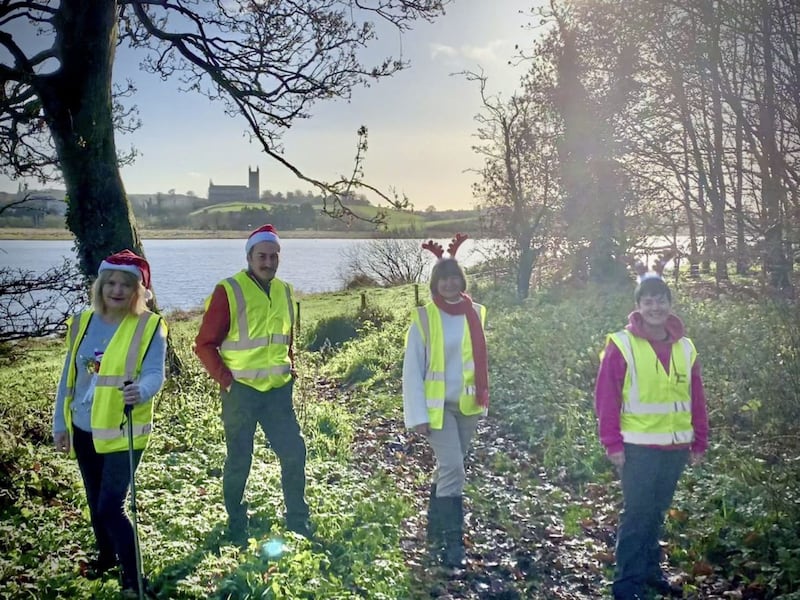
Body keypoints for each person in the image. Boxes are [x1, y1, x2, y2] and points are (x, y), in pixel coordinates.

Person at [52, 249, 167, 599]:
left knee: (110, 505)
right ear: (100, 286)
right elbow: (68, 377)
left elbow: (154, 373)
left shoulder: (149, 326)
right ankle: (105, 558)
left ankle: (134, 578)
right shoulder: (83, 322)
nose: (116, 290)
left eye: (126, 284)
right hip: (84, 426)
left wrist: (141, 391)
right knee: (93, 497)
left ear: (138, 291)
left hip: (122, 428)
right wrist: (61, 422)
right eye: (110, 283)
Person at [594, 271, 709, 600]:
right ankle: (626, 583)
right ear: (638, 306)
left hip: (675, 446)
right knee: (637, 513)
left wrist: (699, 439)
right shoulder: (622, 344)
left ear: (670, 304)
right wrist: (611, 442)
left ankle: (649, 571)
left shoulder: (686, 347)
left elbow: (696, 396)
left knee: (657, 512)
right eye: (648, 301)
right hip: (637, 447)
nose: (655, 306)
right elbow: (606, 397)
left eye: (661, 300)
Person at [194, 224, 311, 544]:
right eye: (262, 256)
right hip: (241, 393)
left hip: (278, 392)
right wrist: (227, 382)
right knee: (239, 461)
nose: (269, 262)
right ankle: (236, 523)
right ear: (249, 256)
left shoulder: (285, 290)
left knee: (294, 453)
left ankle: (298, 520)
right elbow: (204, 344)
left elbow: (285, 337)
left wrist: (291, 367)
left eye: (274, 256)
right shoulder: (228, 290)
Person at [402, 233, 489, 568]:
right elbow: (412, 371)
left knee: (447, 469)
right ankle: (453, 544)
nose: (450, 284)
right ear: (435, 284)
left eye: (455, 277)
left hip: (467, 406)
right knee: (454, 468)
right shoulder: (423, 318)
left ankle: (435, 525)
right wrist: (417, 415)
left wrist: (483, 400)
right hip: (437, 410)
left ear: (462, 280)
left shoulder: (476, 313)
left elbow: (479, 360)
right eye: (444, 279)